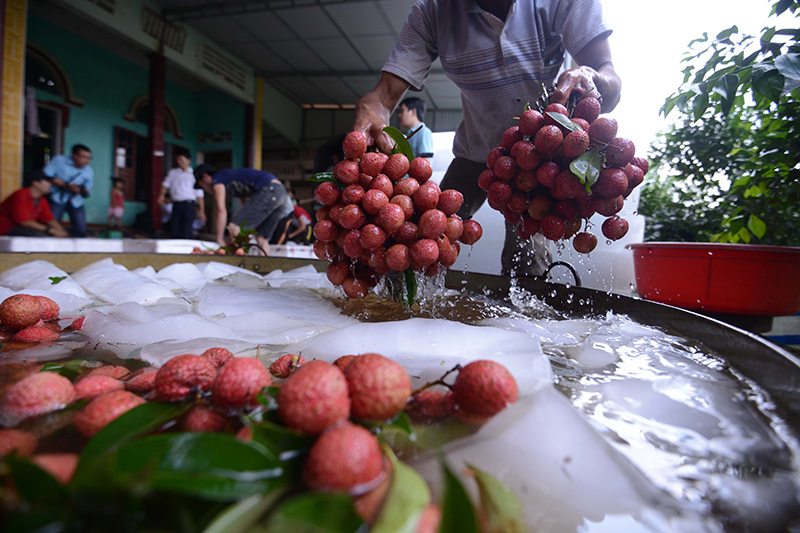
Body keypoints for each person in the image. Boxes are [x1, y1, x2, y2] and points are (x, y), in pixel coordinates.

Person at [352, 0, 621, 277]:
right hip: (475, 151)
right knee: (423, 242)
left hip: (539, 160)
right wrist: (369, 110)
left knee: (530, 270)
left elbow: (609, 81)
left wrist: (592, 78)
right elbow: (382, 96)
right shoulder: (434, 10)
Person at [194, 164, 291, 255]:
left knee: (234, 226)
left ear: (206, 177)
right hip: (281, 193)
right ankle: (266, 268)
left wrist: (220, 239)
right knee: (261, 236)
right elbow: (249, 206)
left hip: (270, 190)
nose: (204, 189)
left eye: (201, 185)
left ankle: (239, 265)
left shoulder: (218, 178)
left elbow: (221, 210)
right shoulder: (235, 180)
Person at [43, 144, 94, 238]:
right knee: (51, 226)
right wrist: (66, 186)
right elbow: (47, 175)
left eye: (89, 158)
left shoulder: (89, 171)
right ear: (74, 155)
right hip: (57, 199)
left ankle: (77, 250)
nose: (87, 160)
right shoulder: (59, 161)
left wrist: (81, 190)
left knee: (81, 229)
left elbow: (88, 190)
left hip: (76, 201)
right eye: (84, 157)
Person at [0, 170, 69, 237]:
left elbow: (49, 219)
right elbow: (24, 222)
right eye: (47, 182)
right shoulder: (21, 195)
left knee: (66, 232)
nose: (50, 184)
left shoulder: (41, 199)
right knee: (40, 235)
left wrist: (62, 231)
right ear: (36, 183)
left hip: (23, 228)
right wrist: (50, 230)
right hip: (6, 228)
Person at [158, 148, 205, 239]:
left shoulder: (194, 174)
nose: (179, 162)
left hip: (189, 205)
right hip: (176, 204)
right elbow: (165, 184)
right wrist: (161, 195)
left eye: (181, 160)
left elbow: (199, 194)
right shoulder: (173, 172)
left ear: (188, 160)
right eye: (177, 160)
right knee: (174, 228)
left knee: (186, 229)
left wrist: (202, 211)